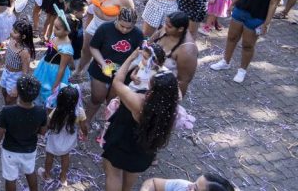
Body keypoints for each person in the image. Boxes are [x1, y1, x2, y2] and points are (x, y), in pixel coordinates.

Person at [102, 49, 179, 191]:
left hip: (123, 139)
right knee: (132, 171)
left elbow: (117, 82)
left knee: (114, 174)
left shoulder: (138, 102)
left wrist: (130, 58)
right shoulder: (170, 108)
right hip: (144, 148)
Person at [211, 0, 282, 83]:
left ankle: (242, 70)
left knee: (247, 45)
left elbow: (273, 4)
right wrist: (233, 3)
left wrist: (266, 23)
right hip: (241, 10)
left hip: (256, 16)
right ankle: (225, 61)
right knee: (231, 37)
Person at [0, 75, 46, 191]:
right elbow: (43, 131)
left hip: (10, 151)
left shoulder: (7, 111)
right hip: (30, 149)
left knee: (10, 178)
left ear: (18, 92)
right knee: (30, 171)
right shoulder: (41, 111)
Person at [41, 86, 88, 186]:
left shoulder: (56, 111)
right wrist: (85, 134)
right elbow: (84, 126)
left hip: (54, 138)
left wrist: (43, 132)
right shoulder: (80, 112)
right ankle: (63, 177)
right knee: (65, 156)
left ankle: (47, 175)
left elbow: (48, 124)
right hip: (69, 138)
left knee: (50, 156)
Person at [141, 172, 235, 191]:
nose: (189, 186)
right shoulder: (183, 186)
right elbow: (153, 182)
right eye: (195, 183)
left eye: (195, 189)